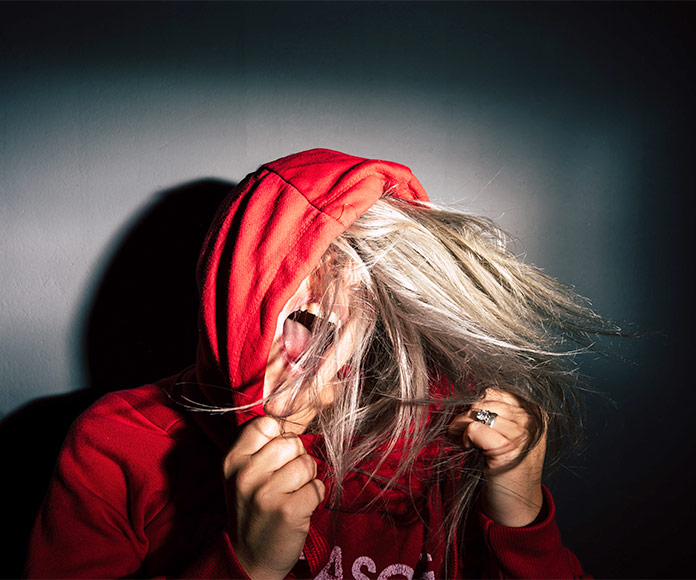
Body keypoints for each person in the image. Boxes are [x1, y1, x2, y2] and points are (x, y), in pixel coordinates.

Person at [25, 149, 615, 579]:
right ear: (237, 295)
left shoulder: (440, 432)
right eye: (300, 296)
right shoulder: (119, 446)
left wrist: (519, 514)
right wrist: (247, 566)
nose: (328, 301)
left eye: (363, 303)